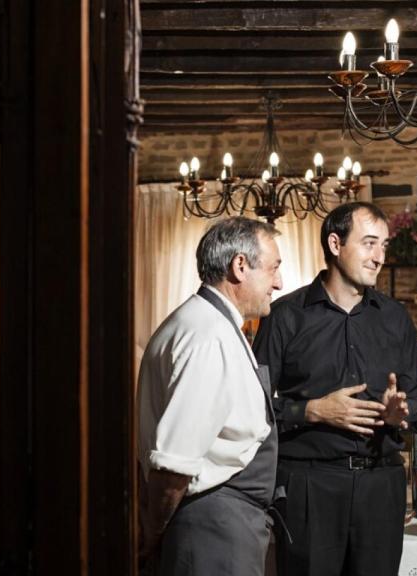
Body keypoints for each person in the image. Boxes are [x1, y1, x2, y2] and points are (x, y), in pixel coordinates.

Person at [253, 201, 417, 576]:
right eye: (369, 243)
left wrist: (402, 412)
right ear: (335, 244)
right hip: (308, 487)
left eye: (384, 245)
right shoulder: (285, 316)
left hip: (381, 486)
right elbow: (253, 407)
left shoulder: (396, 319)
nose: (380, 256)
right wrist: (313, 410)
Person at [137, 216, 283, 576]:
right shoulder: (209, 335)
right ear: (240, 266)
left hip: (224, 527)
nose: (279, 283)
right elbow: (174, 466)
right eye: (274, 269)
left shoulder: (213, 325)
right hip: (211, 530)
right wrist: (151, 537)